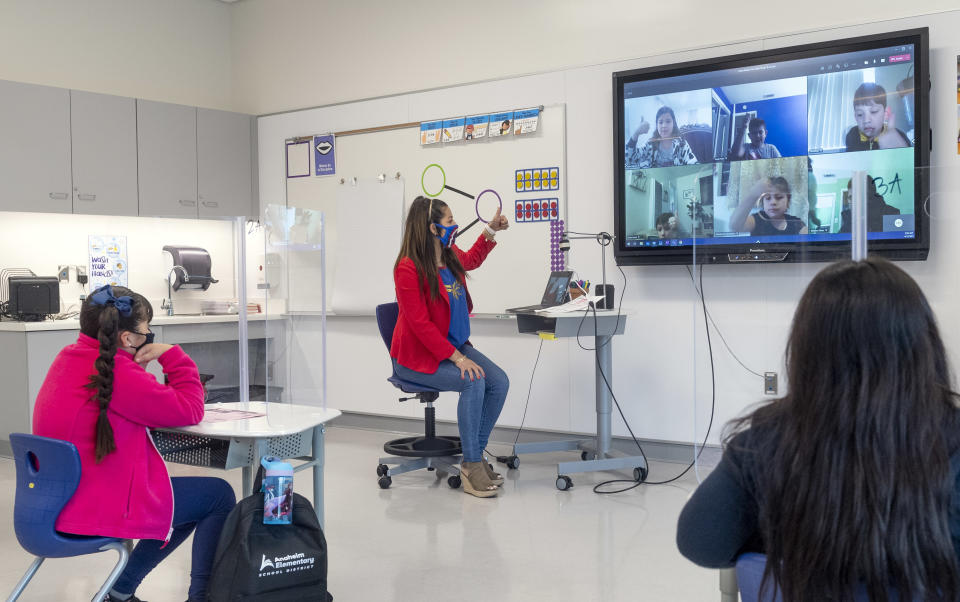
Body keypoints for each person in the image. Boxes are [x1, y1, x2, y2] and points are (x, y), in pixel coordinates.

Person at [676, 258, 960, 602]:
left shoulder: (763, 443)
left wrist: (776, 534)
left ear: (807, 349)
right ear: (922, 344)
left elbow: (702, 544)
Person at [32, 285, 235, 602]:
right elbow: (191, 410)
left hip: (48, 508)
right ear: (127, 338)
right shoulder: (117, 373)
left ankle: (122, 589)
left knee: (178, 498)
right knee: (217, 496)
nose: (151, 334)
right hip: (91, 511)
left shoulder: (68, 357)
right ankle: (200, 597)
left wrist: (135, 369)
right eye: (146, 330)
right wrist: (172, 355)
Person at [391, 196, 510, 498]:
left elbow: (472, 258)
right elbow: (420, 326)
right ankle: (470, 465)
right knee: (474, 381)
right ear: (432, 228)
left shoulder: (449, 253)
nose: (454, 227)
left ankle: (476, 456)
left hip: (453, 347)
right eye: (448, 222)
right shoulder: (407, 268)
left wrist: (491, 231)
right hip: (417, 358)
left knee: (499, 382)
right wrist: (458, 359)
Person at [729, 176, 807, 236]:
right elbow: (734, 226)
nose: (773, 202)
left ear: (788, 199)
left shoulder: (796, 223)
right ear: (763, 201)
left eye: (779, 197)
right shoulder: (756, 220)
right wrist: (753, 194)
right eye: (768, 198)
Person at [844, 83, 911, 151]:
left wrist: (900, 152)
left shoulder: (899, 137)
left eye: (873, 111)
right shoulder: (852, 135)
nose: (866, 120)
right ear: (855, 117)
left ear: (886, 114)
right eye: (860, 114)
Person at [625, 106, 698, 168]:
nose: (664, 126)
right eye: (660, 122)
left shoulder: (682, 143)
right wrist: (636, 133)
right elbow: (629, 160)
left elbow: (692, 162)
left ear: (674, 123)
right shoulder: (651, 144)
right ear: (657, 125)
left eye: (668, 121)